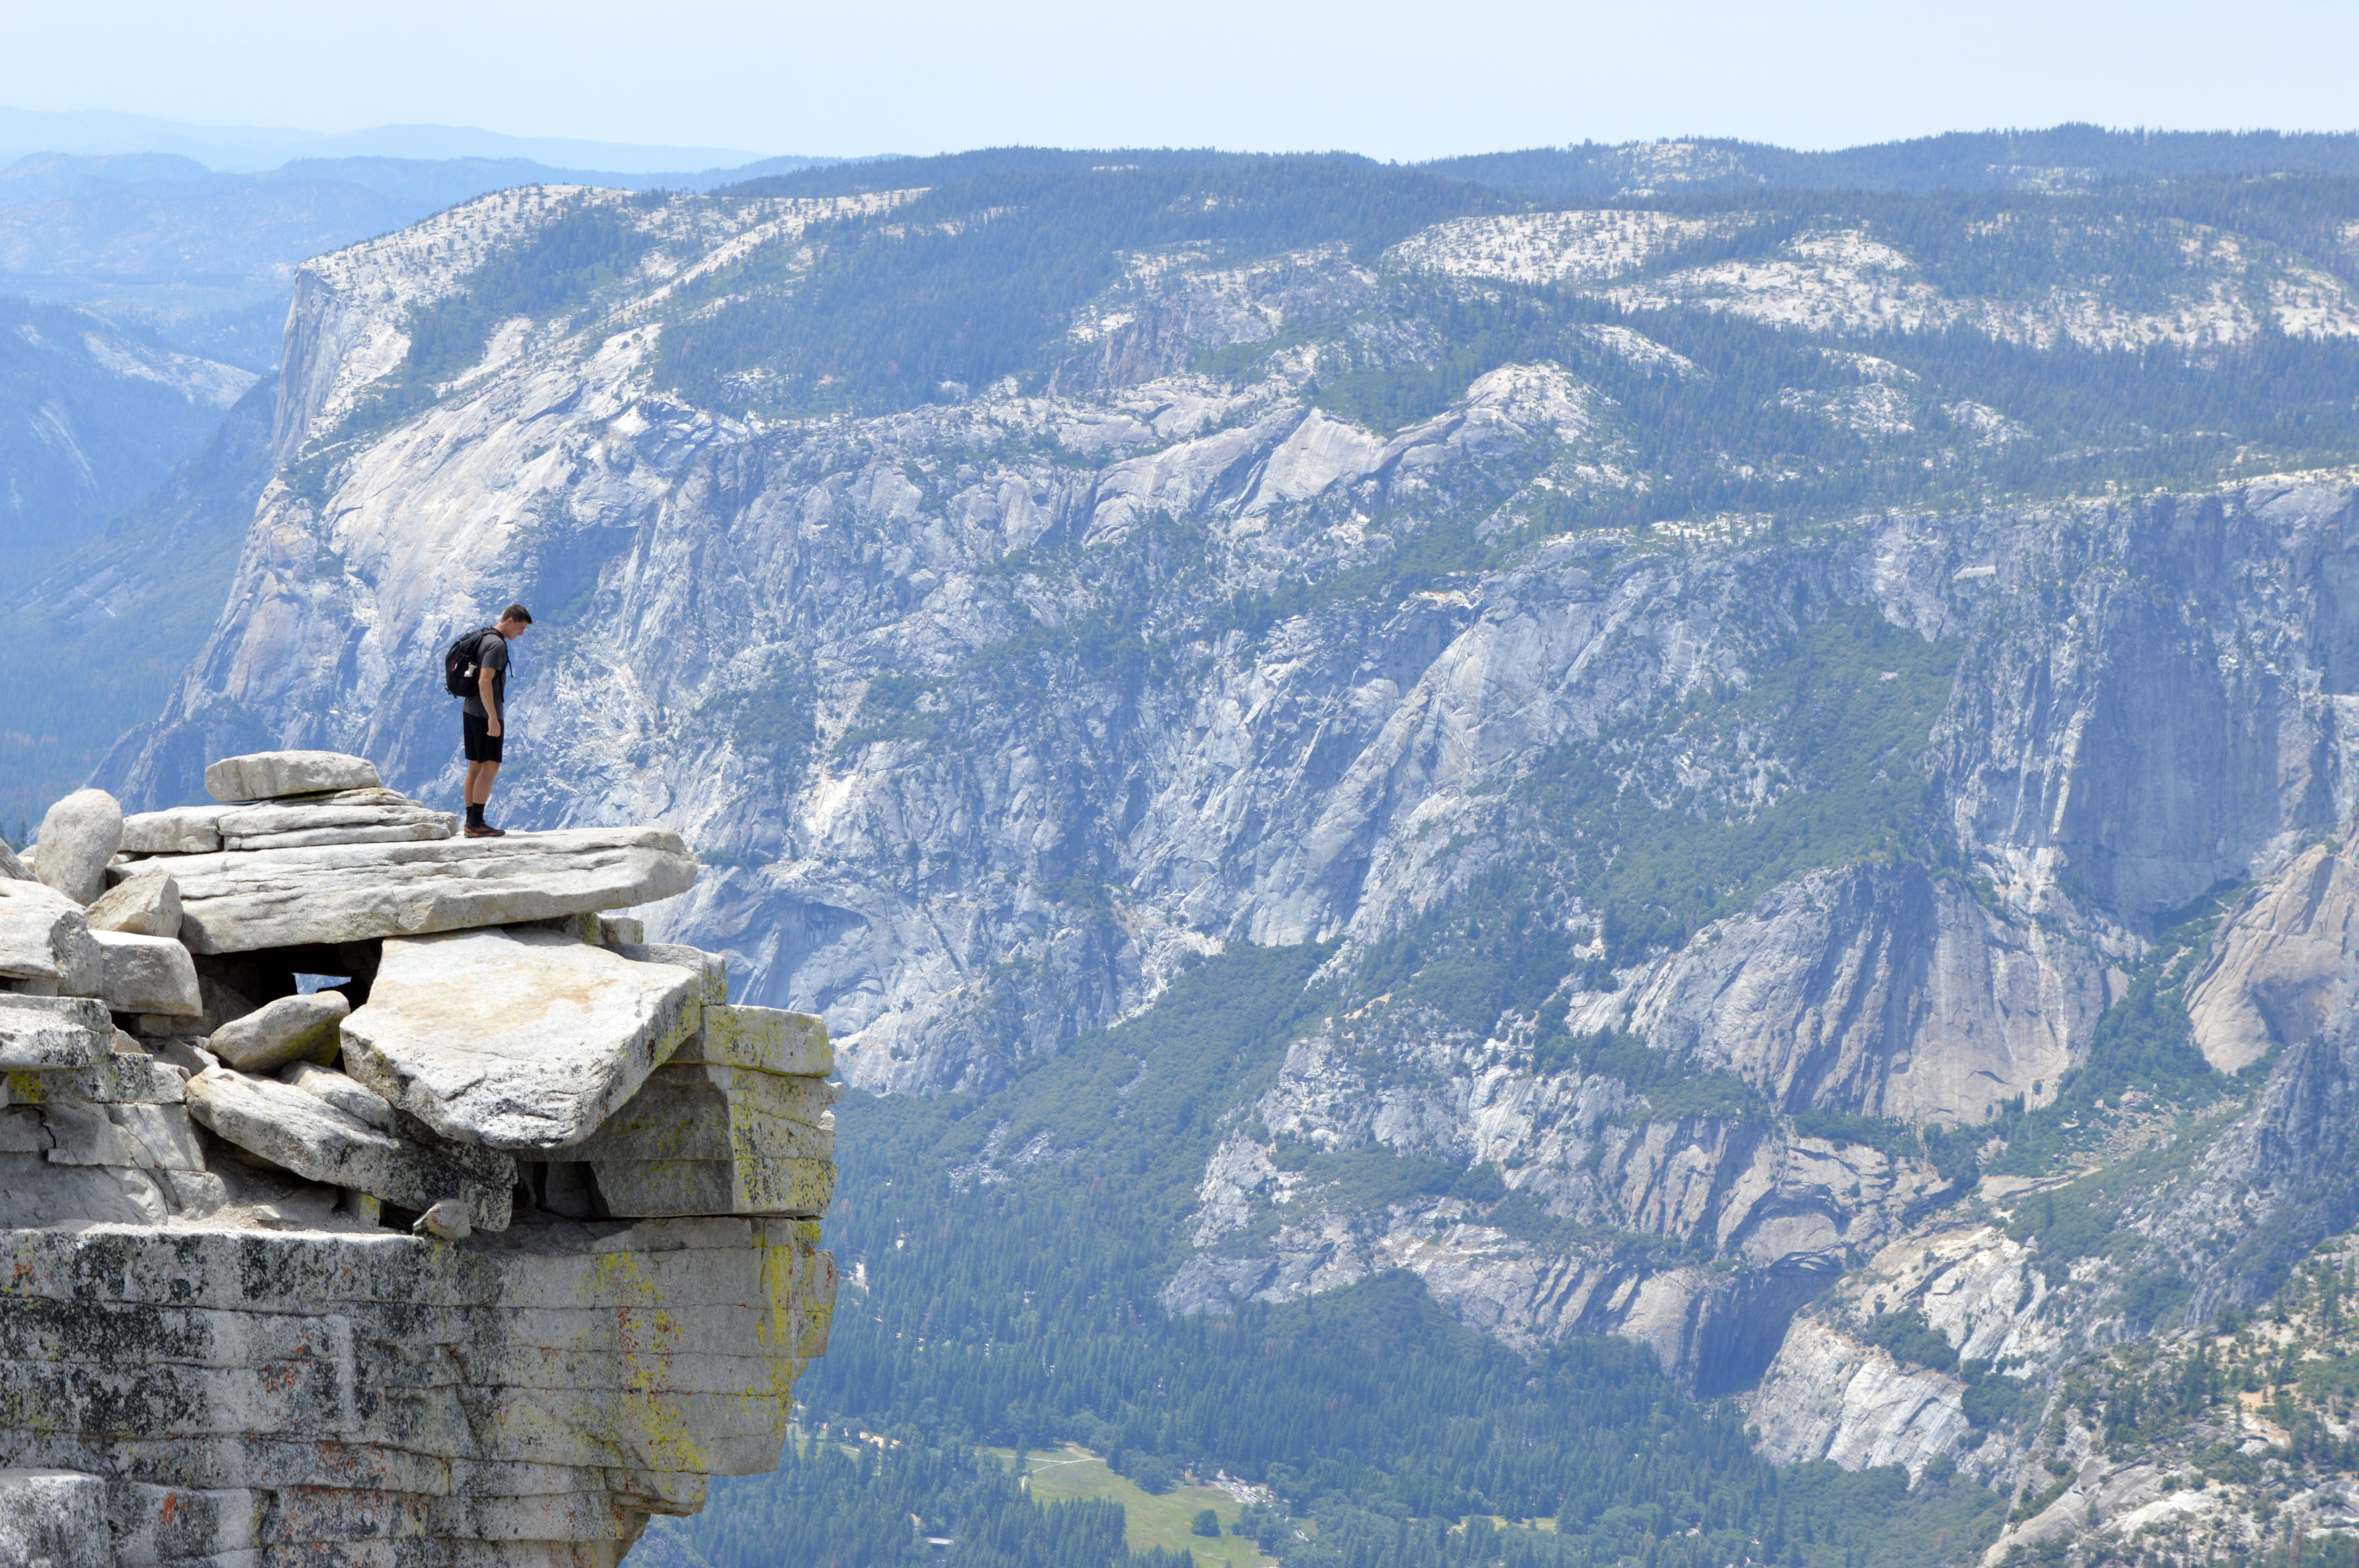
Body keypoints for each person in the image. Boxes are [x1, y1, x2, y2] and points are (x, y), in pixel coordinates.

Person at [461, 604, 532, 838]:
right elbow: (484, 681)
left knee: (475, 766)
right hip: (485, 713)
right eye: (521, 628)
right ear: (510, 621)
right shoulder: (496, 644)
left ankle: (471, 822)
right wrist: (493, 717)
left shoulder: (484, 637)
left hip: (471, 710)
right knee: (491, 766)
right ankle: (476, 824)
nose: (521, 634)